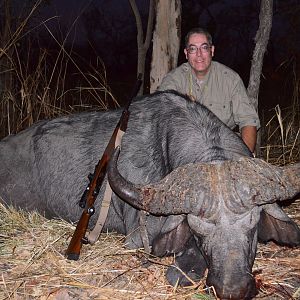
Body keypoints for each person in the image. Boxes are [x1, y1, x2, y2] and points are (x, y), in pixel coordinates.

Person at [157, 27, 260, 153]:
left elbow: (248, 121)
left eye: (204, 48)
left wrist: (244, 159)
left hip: (223, 145)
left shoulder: (230, 79)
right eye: (193, 49)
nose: (199, 54)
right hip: (185, 147)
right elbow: (160, 117)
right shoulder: (173, 79)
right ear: (186, 53)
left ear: (212, 51)